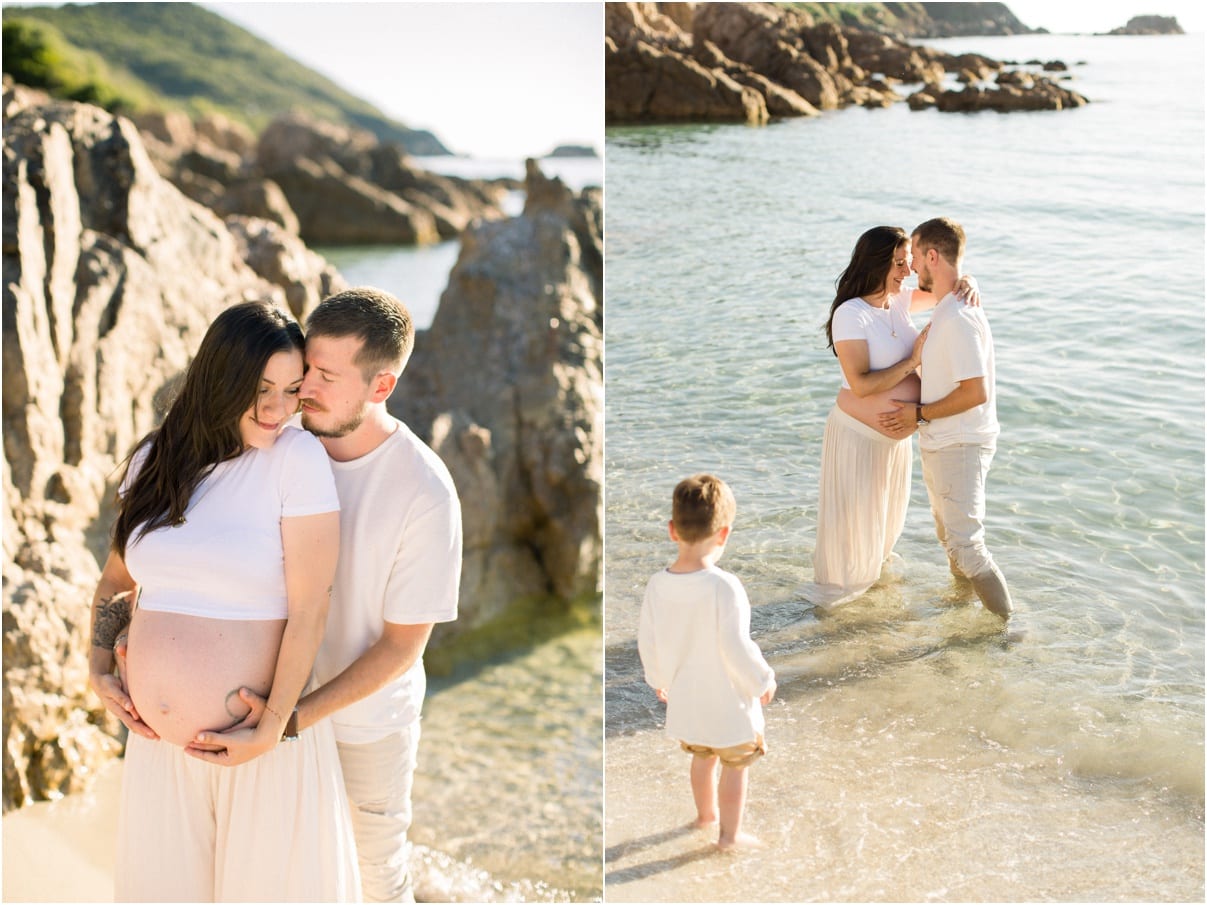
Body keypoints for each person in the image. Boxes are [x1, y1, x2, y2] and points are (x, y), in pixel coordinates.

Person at [193, 287, 463, 902]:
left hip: (361, 729)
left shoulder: (424, 491)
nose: (303, 389)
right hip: (262, 709)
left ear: (381, 387)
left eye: (326, 376)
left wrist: (289, 720)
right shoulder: (275, 443)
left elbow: (401, 648)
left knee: (374, 880)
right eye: (305, 367)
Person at [87, 299, 360, 901]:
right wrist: (99, 668)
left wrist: (274, 728)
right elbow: (115, 581)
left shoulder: (296, 459)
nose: (277, 409)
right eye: (260, 388)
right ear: (220, 379)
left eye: (292, 391)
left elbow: (311, 608)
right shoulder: (152, 460)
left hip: (256, 748)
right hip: (159, 750)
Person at [813, 225, 977, 605]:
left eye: (908, 262)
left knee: (883, 529)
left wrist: (970, 281)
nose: (908, 271)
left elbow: (945, 289)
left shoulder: (898, 302)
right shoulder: (851, 314)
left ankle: (870, 608)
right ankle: (837, 611)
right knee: (852, 530)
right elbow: (862, 385)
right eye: (899, 264)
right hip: (858, 438)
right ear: (876, 264)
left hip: (893, 441)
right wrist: (913, 362)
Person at [879, 218, 1012, 617]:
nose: (912, 268)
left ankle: (1005, 632)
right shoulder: (948, 307)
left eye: (916, 257)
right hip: (942, 440)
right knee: (950, 540)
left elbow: (975, 392)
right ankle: (961, 615)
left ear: (932, 256)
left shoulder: (958, 317)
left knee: (967, 546)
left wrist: (917, 414)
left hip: (961, 442)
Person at [638, 474, 776, 851]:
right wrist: (762, 680)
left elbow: (647, 640)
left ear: (672, 530)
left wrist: (658, 679)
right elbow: (735, 646)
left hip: (685, 699)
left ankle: (705, 816)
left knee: (701, 757)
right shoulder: (724, 586)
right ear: (724, 534)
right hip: (727, 702)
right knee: (734, 764)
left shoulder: (657, 584)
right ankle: (729, 838)